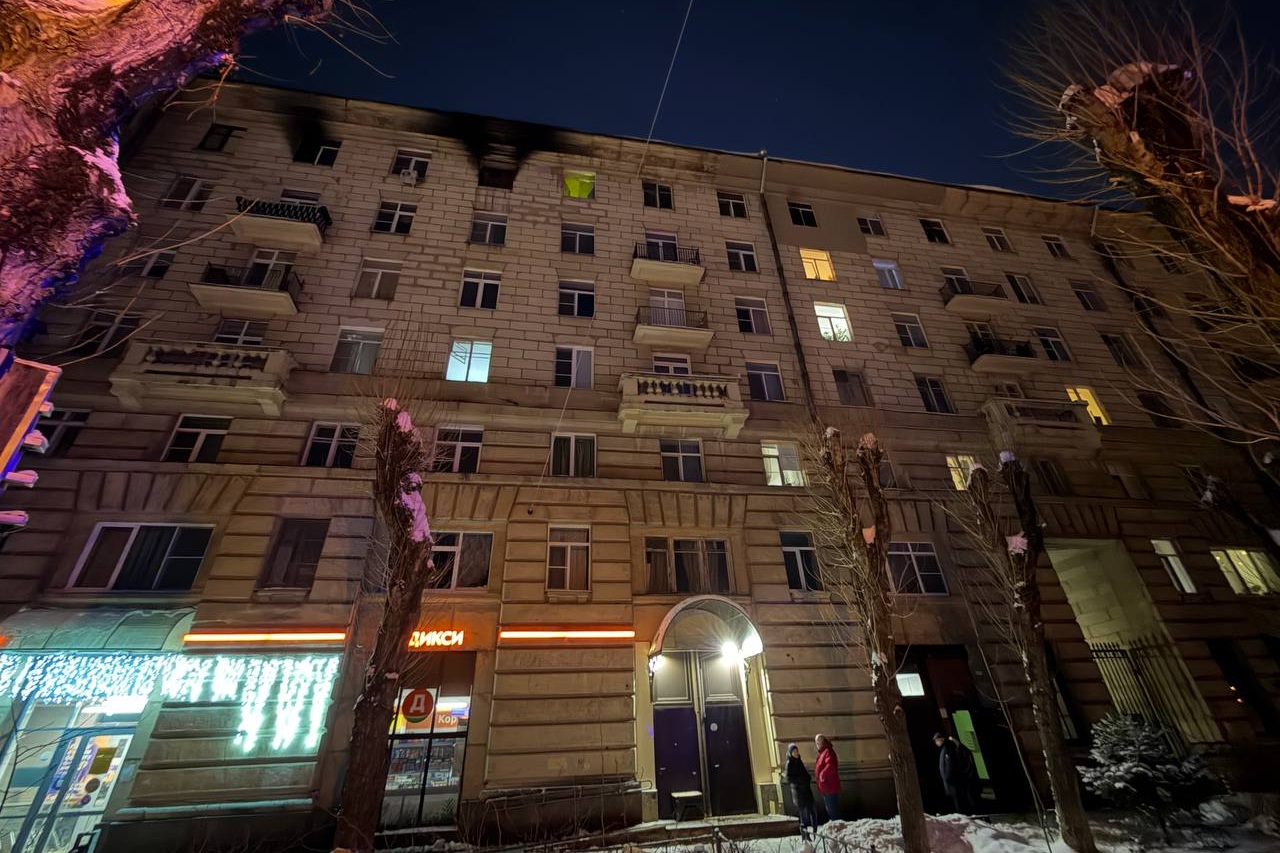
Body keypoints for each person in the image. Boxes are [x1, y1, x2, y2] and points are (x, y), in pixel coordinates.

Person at [934, 732, 977, 814]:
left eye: (937, 740)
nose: (936, 743)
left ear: (942, 739)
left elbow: (950, 765)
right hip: (952, 781)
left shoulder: (948, 749)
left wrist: (948, 778)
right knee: (958, 800)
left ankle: (966, 813)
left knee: (959, 800)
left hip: (954, 781)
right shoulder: (946, 749)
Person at [785, 743, 818, 839]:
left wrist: (807, 778)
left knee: (813, 812)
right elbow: (789, 779)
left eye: (797, 751)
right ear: (790, 753)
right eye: (794, 751)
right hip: (799, 794)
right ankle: (805, 836)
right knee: (804, 816)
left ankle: (815, 832)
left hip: (807, 791)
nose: (796, 753)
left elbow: (805, 774)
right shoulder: (789, 763)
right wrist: (800, 781)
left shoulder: (799, 761)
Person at [813, 734, 841, 822]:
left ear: (824, 741)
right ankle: (835, 825)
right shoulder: (822, 753)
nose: (818, 743)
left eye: (819, 741)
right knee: (830, 809)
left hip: (829, 786)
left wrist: (822, 775)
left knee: (833, 809)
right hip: (825, 786)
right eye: (816, 742)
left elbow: (830, 765)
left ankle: (838, 826)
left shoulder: (828, 751)